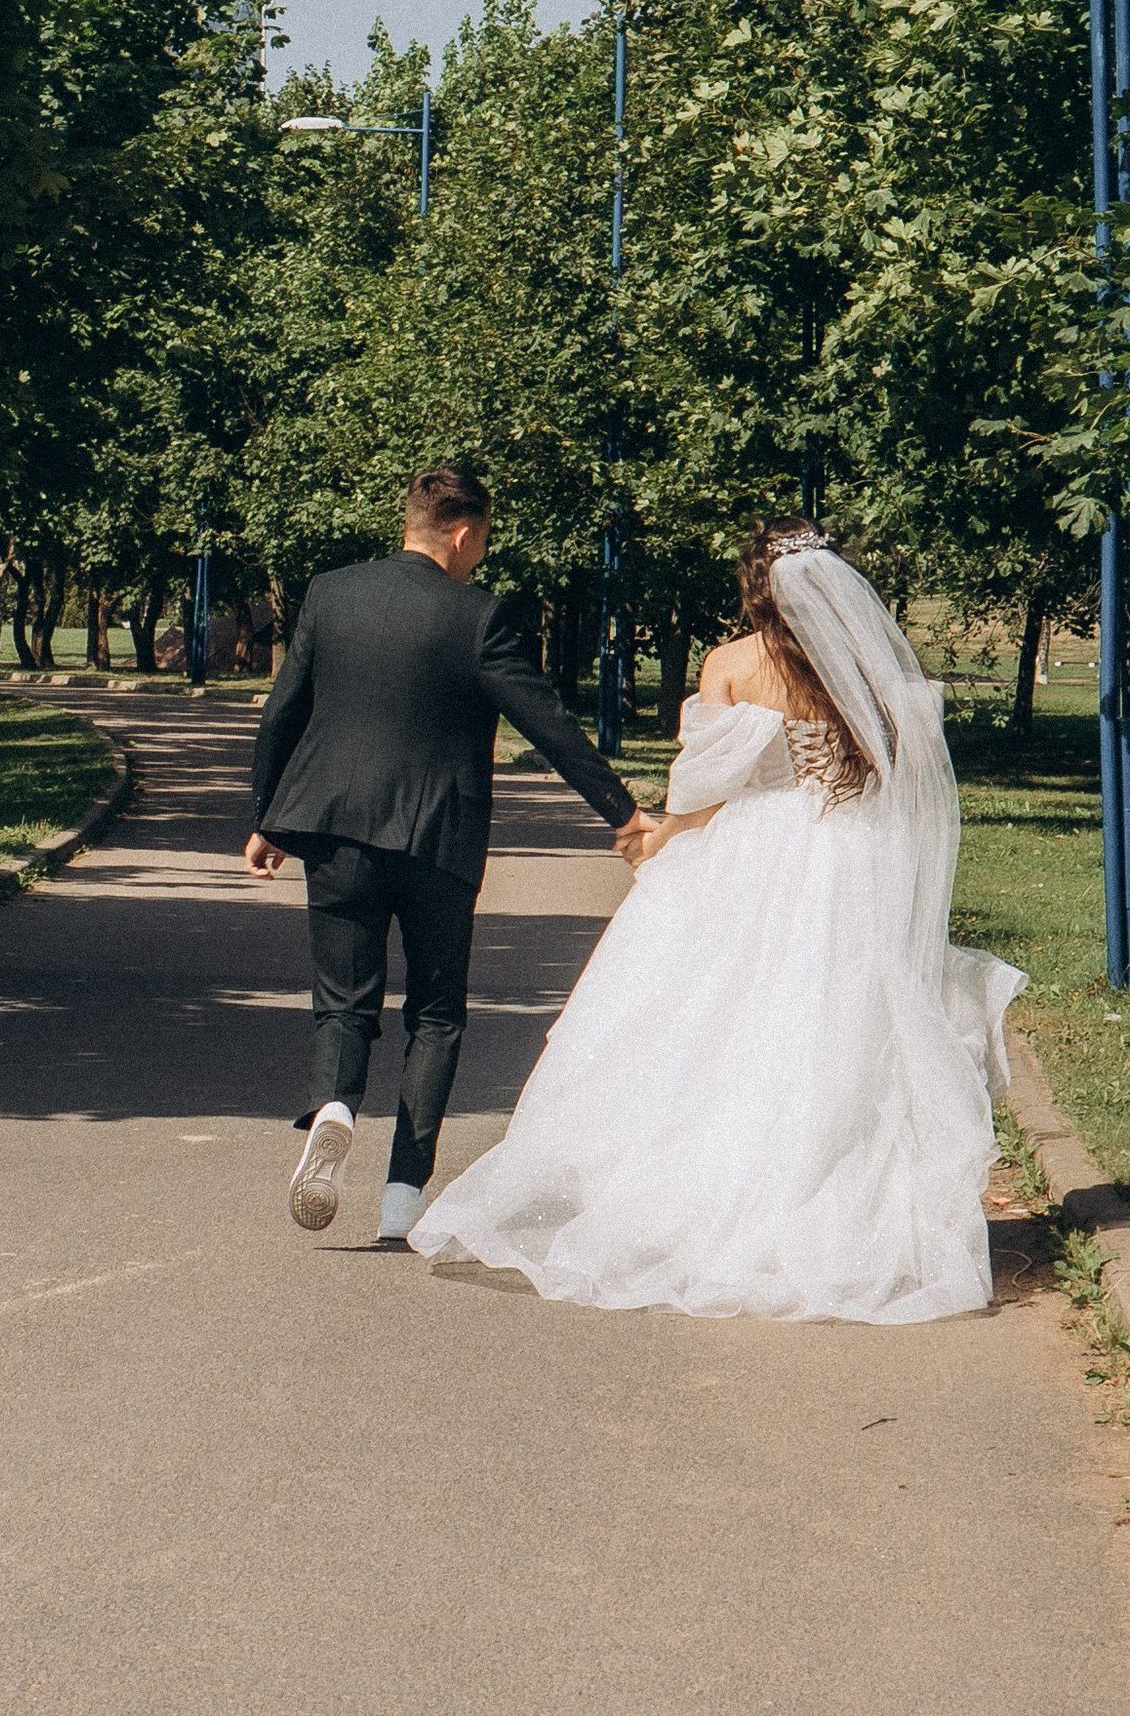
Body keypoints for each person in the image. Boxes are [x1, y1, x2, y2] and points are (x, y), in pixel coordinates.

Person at [412, 518, 1024, 1325]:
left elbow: (705, 790)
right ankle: (836, 1196)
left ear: (755, 588)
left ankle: (707, 1198)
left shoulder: (732, 665)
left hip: (757, 853)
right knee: (837, 1026)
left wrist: (654, 837)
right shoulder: (877, 673)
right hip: (852, 856)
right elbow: (906, 792)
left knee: (723, 1018)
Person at [243, 463, 639, 1242]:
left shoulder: (331, 593)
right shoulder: (479, 617)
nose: (479, 557)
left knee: (343, 1002)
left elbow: (283, 712)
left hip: (334, 832)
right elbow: (547, 722)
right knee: (435, 1015)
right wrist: (621, 812)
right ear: (462, 534)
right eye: (481, 543)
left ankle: (334, 1104)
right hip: (438, 840)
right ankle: (402, 1196)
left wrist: (270, 819)